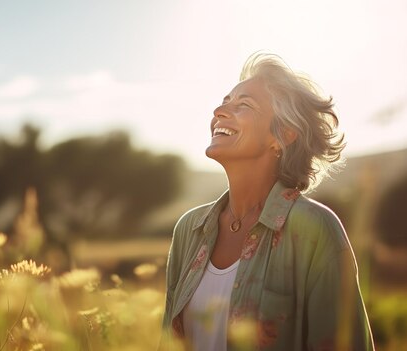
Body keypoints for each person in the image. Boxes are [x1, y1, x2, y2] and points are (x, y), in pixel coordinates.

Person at [160, 53, 374, 350]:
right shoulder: (189, 229)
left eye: (243, 105)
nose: (219, 110)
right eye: (225, 100)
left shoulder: (315, 229)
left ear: (283, 136)